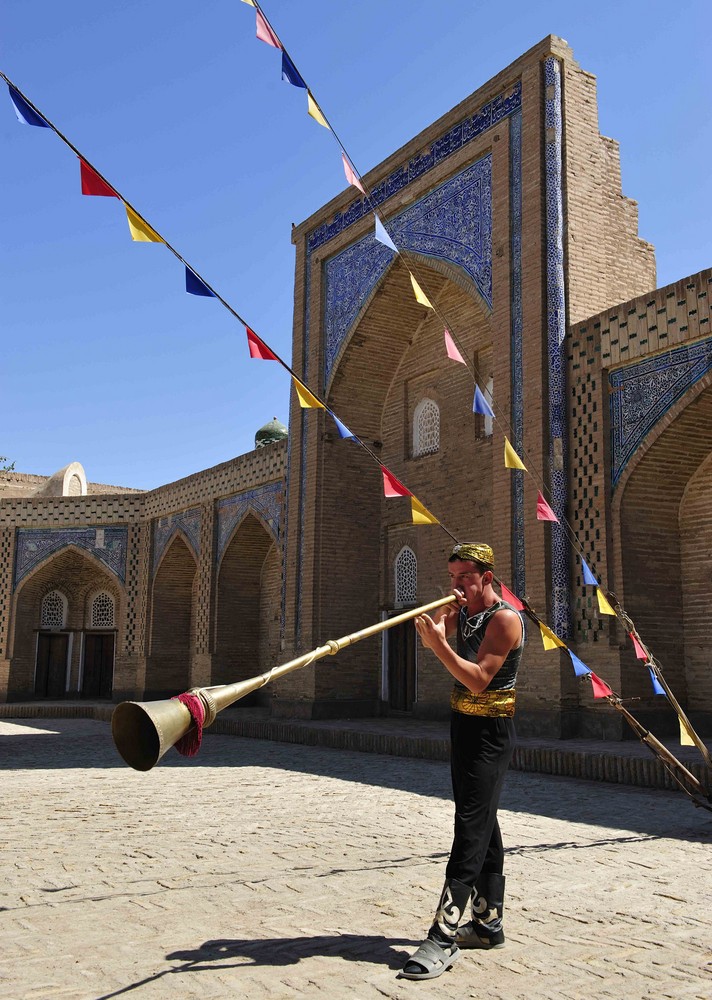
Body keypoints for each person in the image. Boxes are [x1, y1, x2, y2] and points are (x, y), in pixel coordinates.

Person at [400, 542, 524, 981]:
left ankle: (443, 935)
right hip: (463, 728)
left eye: (464, 579)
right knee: (482, 821)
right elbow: (448, 632)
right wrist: (441, 624)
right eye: (452, 578)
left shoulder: (505, 620)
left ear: (486, 578)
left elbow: (477, 680)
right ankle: (488, 925)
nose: (456, 587)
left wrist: (436, 645)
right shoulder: (466, 612)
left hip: (491, 732)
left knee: (469, 828)